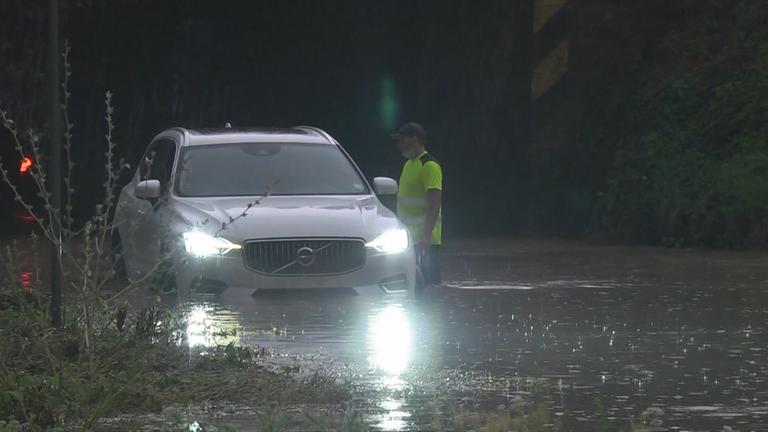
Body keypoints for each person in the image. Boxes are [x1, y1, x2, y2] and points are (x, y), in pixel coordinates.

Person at [392, 122, 443, 285]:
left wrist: (426, 236)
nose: (399, 144)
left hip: (424, 241)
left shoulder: (429, 165)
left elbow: (435, 203)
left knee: (429, 287)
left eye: (402, 139)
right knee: (412, 286)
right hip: (409, 239)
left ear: (415, 139)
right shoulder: (409, 164)